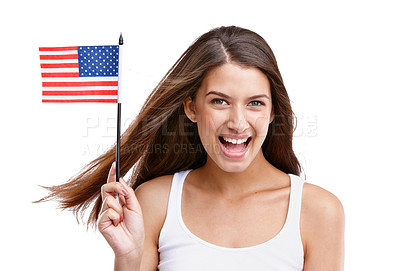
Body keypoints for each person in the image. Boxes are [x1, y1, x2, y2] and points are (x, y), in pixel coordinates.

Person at [40, 26, 345, 270]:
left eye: (255, 103)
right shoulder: (154, 202)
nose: (238, 122)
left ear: (272, 112)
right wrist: (128, 258)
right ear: (191, 108)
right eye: (219, 101)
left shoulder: (318, 212)